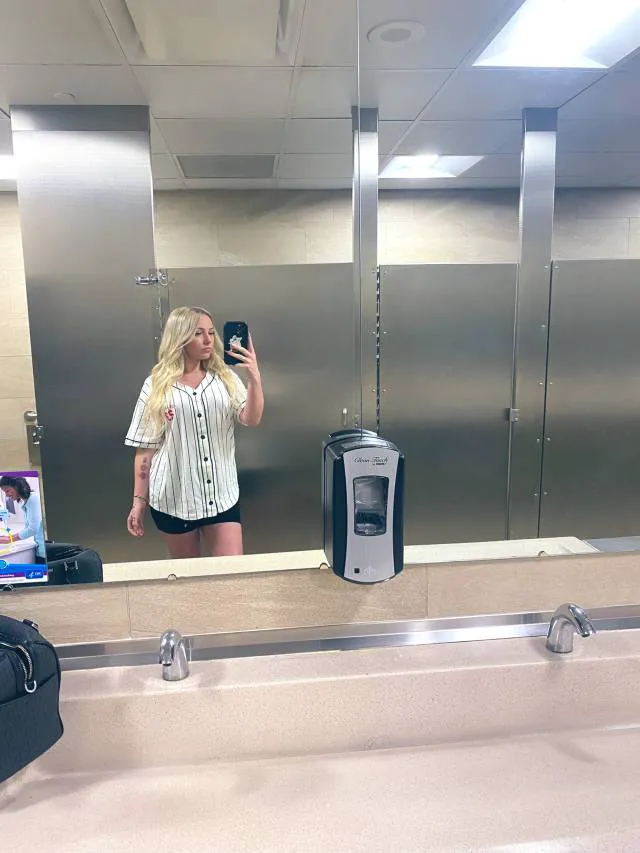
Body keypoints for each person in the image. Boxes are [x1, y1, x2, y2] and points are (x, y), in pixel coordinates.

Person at [125, 306, 264, 558]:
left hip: (221, 496)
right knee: (190, 576)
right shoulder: (156, 385)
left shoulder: (225, 378)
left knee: (232, 572)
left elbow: (251, 419)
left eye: (211, 332)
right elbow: (145, 449)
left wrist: (254, 378)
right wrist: (138, 502)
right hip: (174, 500)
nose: (208, 340)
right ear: (180, 337)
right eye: (198, 333)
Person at [0, 476, 46, 564]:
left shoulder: (33, 499)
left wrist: (10, 539)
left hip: (44, 552)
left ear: (17, 486)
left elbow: (33, 529)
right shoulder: (26, 502)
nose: (7, 495)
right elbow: (28, 528)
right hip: (39, 550)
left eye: (7, 490)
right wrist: (7, 537)